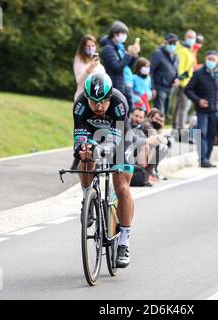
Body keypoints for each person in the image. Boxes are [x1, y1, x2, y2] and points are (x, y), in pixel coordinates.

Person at [72, 72, 134, 268]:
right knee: (86, 155)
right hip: (93, 135)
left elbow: (115, 141)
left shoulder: (119, 103)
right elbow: (79, 137)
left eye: (102, 103)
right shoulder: (80, 105)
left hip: (120, 138)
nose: (98, 107)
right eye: (93, 102)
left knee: (122, 187)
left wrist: (101, 150)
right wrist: (82, 150)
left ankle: (124, 241)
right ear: (87, 98)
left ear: (109, 98)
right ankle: (87, 198)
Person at [185, 51, 218, 168]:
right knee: (202, 133)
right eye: (209, 59)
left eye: (214, 59)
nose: (211, 61)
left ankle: (207, 157)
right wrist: (198, 100)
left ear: (217, 61)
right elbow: (188, 90)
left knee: (212, 134)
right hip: (202, 110)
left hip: (215, 109)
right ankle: (202, 159)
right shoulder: (198, 73)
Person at [101, 21, 140, 110]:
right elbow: (117, 67)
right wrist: (128, 54)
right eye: (122, 33)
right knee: (117, 111)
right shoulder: (108, 49)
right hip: (114, 86)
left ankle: (125, 124)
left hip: (124, 84)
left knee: (126, 111)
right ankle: (118, 125)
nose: (124, 36)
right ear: (114, 33)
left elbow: (127, 66)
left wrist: (134, 55)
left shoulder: (120, 47)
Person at [173, 29, 197, 132]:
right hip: (184, 83)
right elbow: (180, 68)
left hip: (186, 81)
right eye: (189, 37)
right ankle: (180, 129)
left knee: (179, 107)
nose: (191, 39)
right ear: (185, 37)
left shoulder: (188, 50)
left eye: (193, 37)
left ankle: (176, 127)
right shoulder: (182, 51)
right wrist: (182, 80)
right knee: (184, 107)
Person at [150, 33, 179, 116]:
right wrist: (153, 88)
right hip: (159, 87)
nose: (172, 45)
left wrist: (177, 79)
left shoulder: (175, 56)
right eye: (171, 43)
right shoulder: (158, 53)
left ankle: (159, 127)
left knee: (165, 113)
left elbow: (176, 72)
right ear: (165, 42)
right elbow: (151, 71)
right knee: (159, 112)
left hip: (170, 88)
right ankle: (155, 129)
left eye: (174, 43)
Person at [73, 34, 105, 101]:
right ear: (83, 47)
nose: (91, 48)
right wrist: (90, 68)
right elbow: (79, 81)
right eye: (88, 46)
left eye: (93, 46)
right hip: (82, 98)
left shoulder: (97, 62)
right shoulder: (79, 60)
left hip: (96, 99)